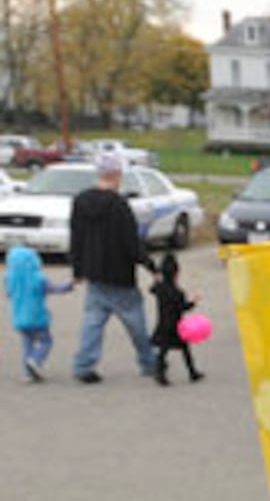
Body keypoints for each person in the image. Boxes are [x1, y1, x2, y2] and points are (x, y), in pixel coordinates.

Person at [68, 150, 156, 385]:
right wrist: (152, 267)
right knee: (136, 324)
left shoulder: (80, 201)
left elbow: (76, 238)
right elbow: (131, 243)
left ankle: (83, 366)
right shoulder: (119, 205)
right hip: (120, 276)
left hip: (94, 274)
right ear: (116, 175)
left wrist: (77, 270)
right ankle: (150, 363)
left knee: (92, 323)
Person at [4, 243, 72, 383]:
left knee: (27, 344)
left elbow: (9, 294)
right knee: (46, 341)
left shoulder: (10, 279)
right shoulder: (38, 278)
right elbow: (55, 289)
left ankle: (28, 373)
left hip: (19, 319)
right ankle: (36, 360)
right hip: (37, 317)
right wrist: (69, 286)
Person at [149, 253, 203, 386]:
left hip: (163, 324)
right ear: (176, 274)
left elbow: (151, 289)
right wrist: (194, 301)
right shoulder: (178, 293)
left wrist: (157, 279)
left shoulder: (160, 289)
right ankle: (192, 373)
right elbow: (184, 308)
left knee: (163, 350)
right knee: (185, 349)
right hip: (176, 326)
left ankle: (160, 374)